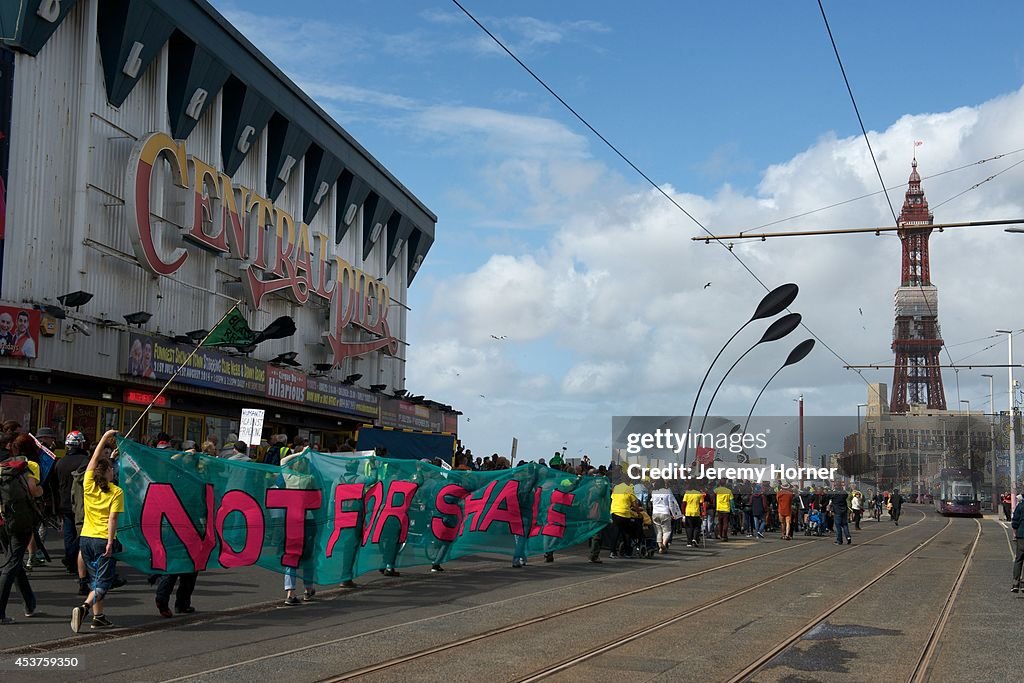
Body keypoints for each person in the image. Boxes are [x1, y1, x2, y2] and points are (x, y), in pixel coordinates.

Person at [71, 429, 124, 632]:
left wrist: (104, 437)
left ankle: (98, 616)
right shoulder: (116, 492)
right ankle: (84, 608)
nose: (113, 471)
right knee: (103, 583)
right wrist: (111, 541)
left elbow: (94, 458)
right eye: (111, 469)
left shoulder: (88, 484)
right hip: (103, 539)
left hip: (86, 538)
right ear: (109, 472)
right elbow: (112, 518)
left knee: (95, 578)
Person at [0, 445, 43, 624]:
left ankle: (29, 603)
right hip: (20, 520)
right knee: (11, 564)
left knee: (14, 560)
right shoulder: (26, 467)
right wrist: (40, 492)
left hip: (2, 522)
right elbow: (34, 490)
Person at [55, 431, 90, 592]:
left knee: (69, 534)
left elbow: (54, 484)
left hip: (64, 502)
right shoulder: (85, 461)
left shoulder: (60, 462)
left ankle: (70, 560)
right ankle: (78, 561)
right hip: (82, 504)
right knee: (82, 534)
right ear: (82, 444)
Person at [650, 486, 681, 553]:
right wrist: (674, 514)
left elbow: (651, 502)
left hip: (655, 513)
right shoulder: (667, 492)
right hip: (665, 513)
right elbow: (671, 504)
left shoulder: (653, 492)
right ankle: (663, 545)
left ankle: (660, 545)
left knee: (658, 531)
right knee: (667, 531)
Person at [1012, 494, 1024, 593]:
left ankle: (1016, 583)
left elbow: (1015, 521)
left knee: (1019, 559)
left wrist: (1015, 533)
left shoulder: (1020, 506)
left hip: (1021, 535)